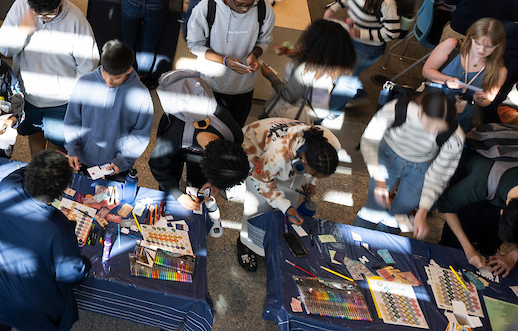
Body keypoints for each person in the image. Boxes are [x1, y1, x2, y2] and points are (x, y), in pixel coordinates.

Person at [0, 150, 89, 331]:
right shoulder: (58, 227)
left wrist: (47, 161)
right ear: (59, 191)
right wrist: (85, 265)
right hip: (33, 306)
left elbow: (23, 172)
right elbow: (70, 274)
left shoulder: (7, 186)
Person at [0, 0, 99, 154]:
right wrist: (21, 31)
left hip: (61, 102)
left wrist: (75, 98)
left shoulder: (75, 19)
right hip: (27, 95)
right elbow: (4, 48)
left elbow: (88, 64)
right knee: (34, 136)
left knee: (57, 150)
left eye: (49, 13)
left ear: (59, 3)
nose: (44, 18)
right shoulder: (21, 6)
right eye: (38, 12)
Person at [357, 90, 464, 237]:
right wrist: (378, 177)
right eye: (430, 124)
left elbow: (439, 175)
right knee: (373, 208)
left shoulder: (455, 137)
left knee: (400, 214)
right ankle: (354, 240)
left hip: (421, 167)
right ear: (420, 111)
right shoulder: (397, 109)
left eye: (439, 129)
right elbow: (369, 141)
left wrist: (423, 210)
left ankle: (381, 244)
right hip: (388, 155)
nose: (432, 132)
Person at [239, 119, 340, 271]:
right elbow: (264, 184)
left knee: (288, 197)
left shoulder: (329, 146)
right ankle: (247, 243)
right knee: (258, 205)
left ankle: (274, 239)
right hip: (254, 148)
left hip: (285, 151)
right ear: (303, 160)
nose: (311, 175)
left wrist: (311, 181)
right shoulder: (278, 154)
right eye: (311, 172)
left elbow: (315, 169)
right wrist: (286, 208)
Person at [148, 69, 249, 212]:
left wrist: (213, 184)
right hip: (177, 137)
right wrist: (178, 195)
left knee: (198, 183)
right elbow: (157, 165)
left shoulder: (233, 133)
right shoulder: (175, 135)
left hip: (195, 142)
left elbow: (226, 169)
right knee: (171, 171)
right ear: (203, 157)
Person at [186, 0, 275, 126]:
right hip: (210, 84)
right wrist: (224, 60)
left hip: (244, 88)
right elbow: (194, 45)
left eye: (250, 4)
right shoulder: (206, 9)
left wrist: (255, 54)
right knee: (208, 129)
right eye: (240, 4)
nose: (245, 9)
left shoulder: (264, 8)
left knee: (235, 129)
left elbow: (264, 41)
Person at [64, 40, 153, 176]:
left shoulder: (141, 95)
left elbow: (140, 133)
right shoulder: (85, 83)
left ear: (128, 70)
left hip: (117, 165)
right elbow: (72, 119)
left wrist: (123, 159)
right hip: (83, 159)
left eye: (116, 78)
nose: (109, 81)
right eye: (106, 73)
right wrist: (72, 148)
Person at [325, 0, 406, 104]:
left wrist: (360, 33)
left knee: (346, 79)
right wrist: (333, 8)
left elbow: (392, 33)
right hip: (350, 37)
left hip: (367, 48)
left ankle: (333, 111)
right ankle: (356, 94)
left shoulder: (387, 2)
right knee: (340, 66)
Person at [436, 130, 518, 273]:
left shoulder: (506, 207)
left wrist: (513, 255)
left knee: (491, 240)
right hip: (479, 160)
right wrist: (468, 250)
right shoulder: (481, 183)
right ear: (501, 211)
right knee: (458, 238)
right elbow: (446, 205)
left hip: (502, 178)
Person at [260, 19, 356, 121]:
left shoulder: (303, 71)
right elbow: (317, 59)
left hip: (298, 112)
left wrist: (270, 76)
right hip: (319, 109)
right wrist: (294, 54)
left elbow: (288, 95)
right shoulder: (335, 63)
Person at [423, 18, 508, 131]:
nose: (481, 50)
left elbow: (486, 102)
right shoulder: (452, 45)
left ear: (498, 45)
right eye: (477, 43)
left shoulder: (500, 71)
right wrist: (447, 80)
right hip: (429, 104)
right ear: (471, 37)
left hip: (458, 117)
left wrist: (479, 99)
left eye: (488, 46)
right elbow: (426, 71)